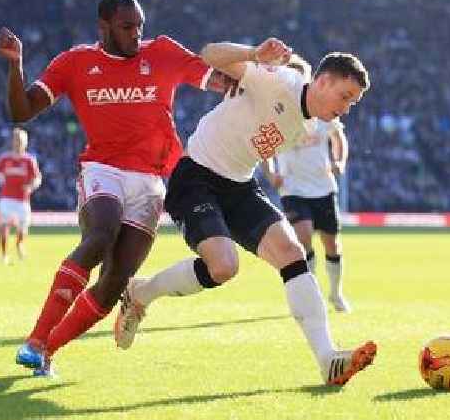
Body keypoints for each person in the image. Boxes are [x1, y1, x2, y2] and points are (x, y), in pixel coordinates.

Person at [114, 38, 376, 386]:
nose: (346, 108)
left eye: (353, 103)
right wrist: (254, 56)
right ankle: (140, 293)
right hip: (196, 175)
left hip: (239, 185)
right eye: (345, 97)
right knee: (223, 267)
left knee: (291, 252)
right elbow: (207, 54)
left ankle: (327, 358)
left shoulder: (308, 124)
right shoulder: (277, 81)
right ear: (323, 81)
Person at [0, 0, 226, 376]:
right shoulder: (75, 63)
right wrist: (16, 65)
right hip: (103, 169)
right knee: (100, 236)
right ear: (103, 27)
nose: (136, 34)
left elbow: (219, 80)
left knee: (115, 280)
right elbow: (22, 111)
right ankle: (35, 338)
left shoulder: (164, 52)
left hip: (153, 180)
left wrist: (257, 68)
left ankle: (46, 351)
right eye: (126, 27)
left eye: (139, 26)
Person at [261, 57, 351, 312]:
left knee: (331, 243)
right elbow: (265, 145)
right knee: (302, 237)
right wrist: (270, 172)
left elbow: (339, 138)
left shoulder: (324, 113)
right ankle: (312, 298)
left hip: (323, 187)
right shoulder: (278, 111)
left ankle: (335, 293)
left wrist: (339, 160)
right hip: (293, 188)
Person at [0, 127, 42, 265]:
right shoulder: (5, 158)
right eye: (16, 140)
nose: (18, 143)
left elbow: (37, 178)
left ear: (26, 142)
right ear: (12, 142)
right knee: (4, 226)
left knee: (23, 228)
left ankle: (19, 244)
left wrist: (32, 186)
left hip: (23, 200)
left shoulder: (30, 160)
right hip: (6, 198)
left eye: (21, 140)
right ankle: (4, 255)